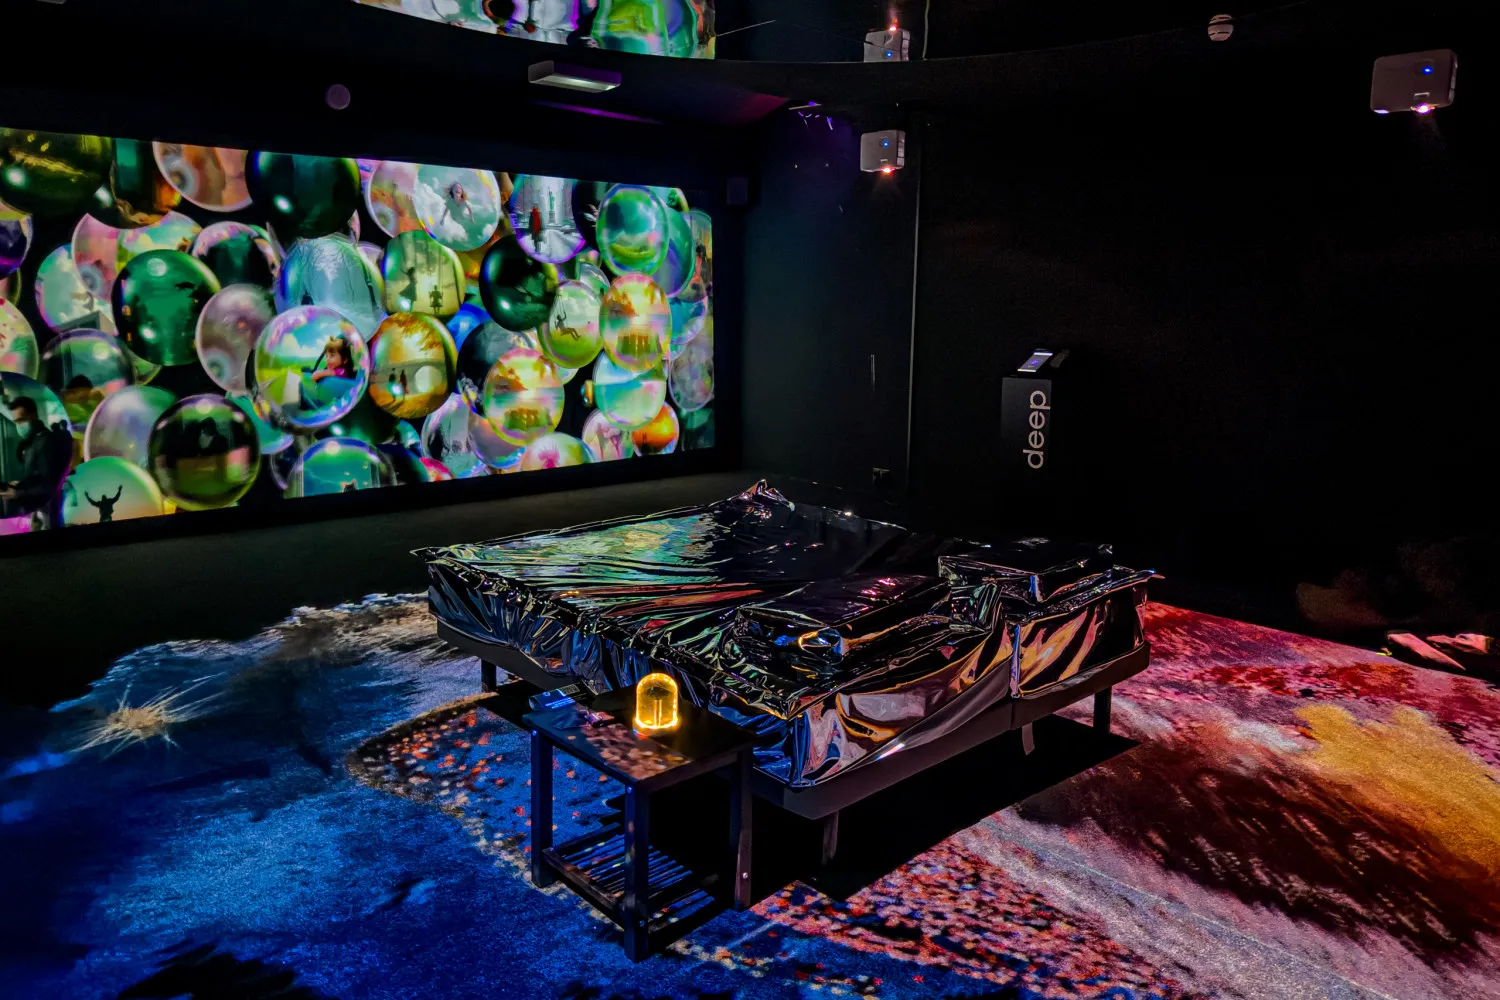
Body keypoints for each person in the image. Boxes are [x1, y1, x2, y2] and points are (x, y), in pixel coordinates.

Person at [0, 395, 69, 529]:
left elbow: (49, 485)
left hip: (48, 510)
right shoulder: (33, 441)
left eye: (21, 420)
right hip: (36, 509)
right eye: (16, 422)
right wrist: (21, 484)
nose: (19, 426)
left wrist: (17, 493)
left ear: (33, 415)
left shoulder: (46, 442)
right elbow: (38, 475)